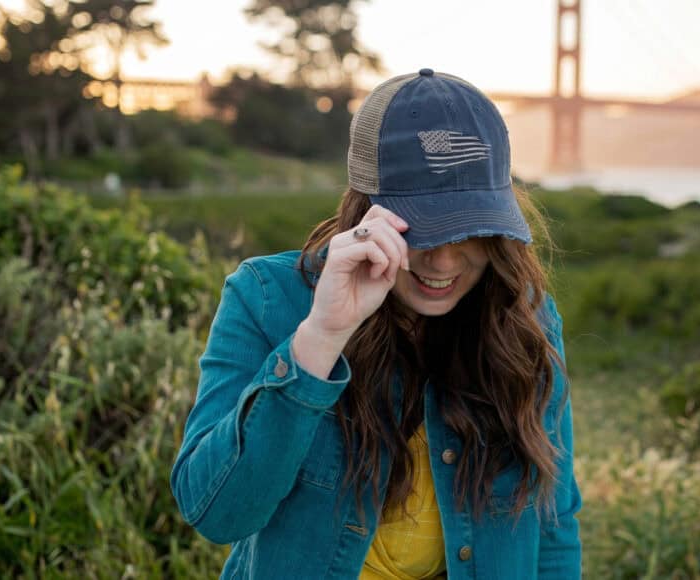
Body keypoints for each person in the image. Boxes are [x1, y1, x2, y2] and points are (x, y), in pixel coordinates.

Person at [170, 68, 582, 579]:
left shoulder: (527, 320)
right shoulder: (266, 297)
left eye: (471, 230)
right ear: (366, 210)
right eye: (422, 230)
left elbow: (553, 525)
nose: (444, 262)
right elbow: (217, 513)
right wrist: (320, 338)